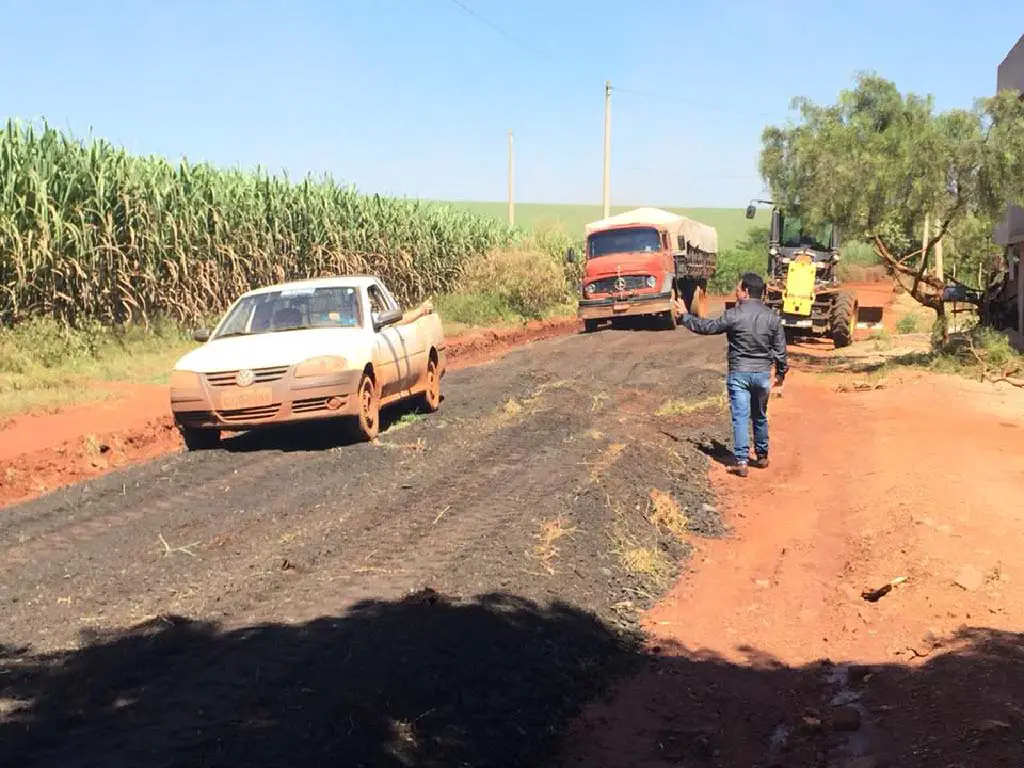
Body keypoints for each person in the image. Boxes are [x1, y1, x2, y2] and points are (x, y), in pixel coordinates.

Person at [678, 272, 788, 478]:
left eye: (737, 289)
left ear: (745, 292)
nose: (735, 292)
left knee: (740, 417)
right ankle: (762, 456)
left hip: (739, 373)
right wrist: (781, 374)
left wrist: (685, 316)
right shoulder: (772, 317)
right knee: (760, 415)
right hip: (763, 374)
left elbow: (707, 327)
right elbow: (781, 350)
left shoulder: (733, 315)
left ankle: (742, 461)